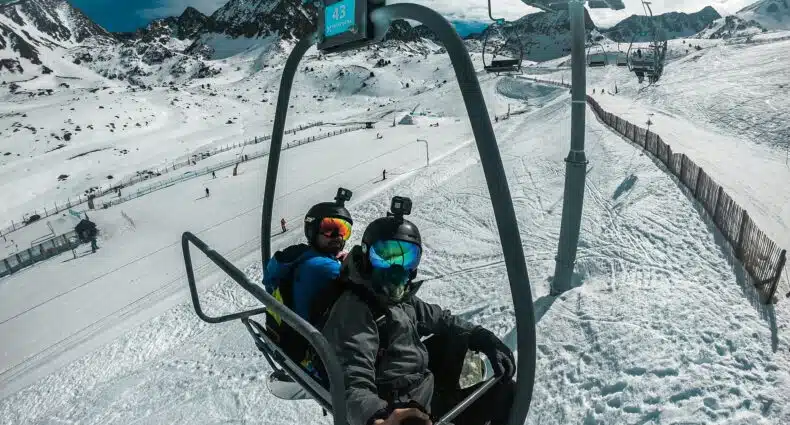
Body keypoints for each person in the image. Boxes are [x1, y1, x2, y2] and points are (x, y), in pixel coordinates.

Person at [319, 198, 516, 425]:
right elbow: (351, 381)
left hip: (423, 385)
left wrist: (482, 336)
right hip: (404, 409)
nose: (396, 267)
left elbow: (441, 319)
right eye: (384, 256)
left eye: (408, 257)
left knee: (457, 341)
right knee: (505, 395)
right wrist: (381, 417)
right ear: (366, 257)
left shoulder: (399, 297)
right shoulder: (355, 309)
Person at [263, 189, 354, 365]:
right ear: (312, 229)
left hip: (294, 343)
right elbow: (367, 284)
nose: (337, 237)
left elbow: (269, 280)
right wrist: (350, 264)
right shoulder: (320, 266)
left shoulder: (298, 257)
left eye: (343, 230)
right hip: (316, 356)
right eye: (329, 229)